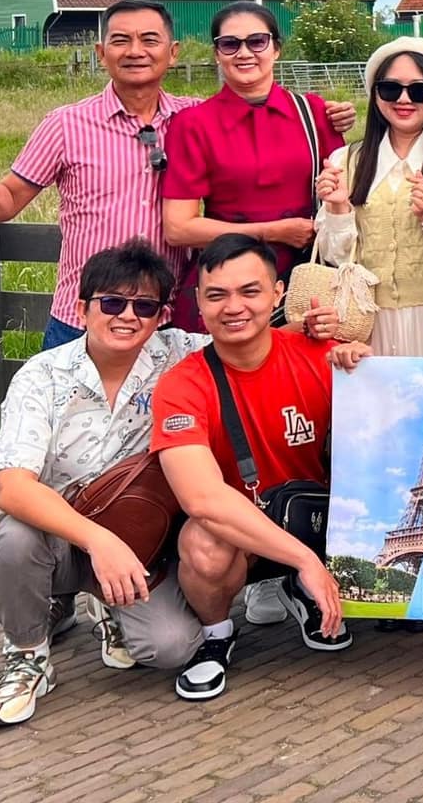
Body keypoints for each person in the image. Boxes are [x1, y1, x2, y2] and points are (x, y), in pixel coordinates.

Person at [0, 240, 209, 728]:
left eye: (144, 306)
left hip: (139, 539)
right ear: (82, 308)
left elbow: (250, 337)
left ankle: (108, 606)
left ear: (163, 316)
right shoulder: (42, 376)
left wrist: (327, 335)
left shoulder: (181, 354)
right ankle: (27, 657)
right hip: (61, 537)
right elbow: (12, 487)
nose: (127, 316)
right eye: (112, 302)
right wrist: (99, 541)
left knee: (171, 647)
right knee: (14, 539)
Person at [150, 236, 369, 702]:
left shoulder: (323, 354)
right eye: (217, 295)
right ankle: (217, 634)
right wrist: (305, 561)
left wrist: (369, 373)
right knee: (203, 546)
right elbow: (201, 499)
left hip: (318, 517)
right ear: (198, 303)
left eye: (250, 291)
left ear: (277, 294)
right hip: (243, 530)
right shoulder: (181, 385)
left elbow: (393, 439)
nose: (234, 307)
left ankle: (299, 586)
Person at [0, 0, 199, 352]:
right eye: (120, 40)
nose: (135, 51)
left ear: (172, 52)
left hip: (165, 317)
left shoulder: (196, 119)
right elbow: (5, 204)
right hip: (81, 320)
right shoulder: (65, 125)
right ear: (101, 53)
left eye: (149, 40)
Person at [162, 3, 349, 321]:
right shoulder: (193, 124)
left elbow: (342, 198)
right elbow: (178, 229)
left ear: (276, 49)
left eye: (257, 41)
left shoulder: (315, 113)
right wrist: (273, 232)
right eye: (230, 44)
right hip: (229, 281)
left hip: (304, 281)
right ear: (217, 54)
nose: (244, 53)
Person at [305, 36, 423, 358]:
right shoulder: (347, 160)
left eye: (419, 90)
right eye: (389, 89)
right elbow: (337, 259)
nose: (403, 99)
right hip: (370, 320)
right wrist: (339, 207)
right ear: (374, 95)